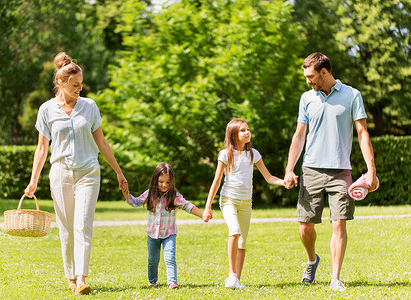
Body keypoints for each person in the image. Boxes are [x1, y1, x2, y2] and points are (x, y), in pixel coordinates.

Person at [25, 52, 127, 295]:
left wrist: (119, 172)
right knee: (66, 228)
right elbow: (42, 148)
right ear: (61, 83)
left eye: (81, 84)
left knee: (83, 225)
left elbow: (102, 142)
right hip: (60, 173)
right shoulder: (47, 110)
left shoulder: (89, 107)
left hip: (88, 173)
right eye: (75, 85)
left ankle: (81, 278)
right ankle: (70, 277)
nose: (80, 88)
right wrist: (33, 180)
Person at [283, 52, 377, 292]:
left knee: (339, 224)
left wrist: (371, 171)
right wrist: (289, 169)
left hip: (340, 171)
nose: (308, 81)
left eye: (311, 76)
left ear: (324, 72)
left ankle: (335, 278)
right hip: (311, 168)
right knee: (305, 226)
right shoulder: (306, 98)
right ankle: (313, 260)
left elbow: (362, 133)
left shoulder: (352, 95)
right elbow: (299, 135)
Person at [202, 119, 284, 288]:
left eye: (248, 129)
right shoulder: (225, 154)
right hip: (228, 200)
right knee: (235, 231)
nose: (247, 133)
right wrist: (207, 206)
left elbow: (269, 178)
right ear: (233, 134)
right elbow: (216, 181)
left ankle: (237, 280)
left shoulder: (254, 154)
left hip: (246, 203)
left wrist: (284, 182)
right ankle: (232, 276)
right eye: (242, 130)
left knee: (242, 241)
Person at [121, 163, 204, 289]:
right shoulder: (150, 194)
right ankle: (153, 281)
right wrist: (126, 194)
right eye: (161, 182)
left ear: (172, 182)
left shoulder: (174, 196)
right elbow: (136, 202)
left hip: (169, 234)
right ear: (155, 180)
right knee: (152, 260)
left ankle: (172, 283)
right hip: (152, 234)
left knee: (170, 257)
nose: (164, 185)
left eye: (167, 182)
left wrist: (202, 215)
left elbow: (187, 206)